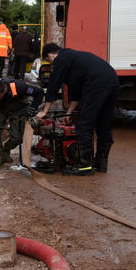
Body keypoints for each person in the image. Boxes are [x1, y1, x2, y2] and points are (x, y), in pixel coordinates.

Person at [35, 44, 120, 175]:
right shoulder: (73, 59)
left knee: (83, 124)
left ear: (51, 56)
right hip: (112, 80)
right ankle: (101, 164)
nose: (51, 65)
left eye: (49, 61)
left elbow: (53, 85)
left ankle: (84, 166)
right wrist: (68, 113)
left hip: (96, 84)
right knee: (103, 123)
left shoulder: (61, 59)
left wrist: (44, 111)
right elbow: (76, 94)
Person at [0, 78, 44, 166]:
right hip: (1, 109)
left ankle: (6, 150)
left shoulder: (17, 87)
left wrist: (33, 107)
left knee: (17, 138)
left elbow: (39, 92)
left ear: (4, 90)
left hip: (19, 108)